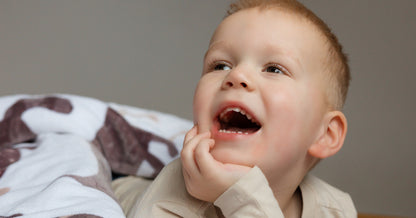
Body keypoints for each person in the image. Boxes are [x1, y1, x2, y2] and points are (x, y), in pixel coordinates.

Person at [112, 0, 357, 217]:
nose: (236, 74)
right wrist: (243, 196)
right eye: (220, 65)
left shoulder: (334, 210)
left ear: (325, 134)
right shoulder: (172, 198)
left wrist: (241, 197)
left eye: (274, 69)